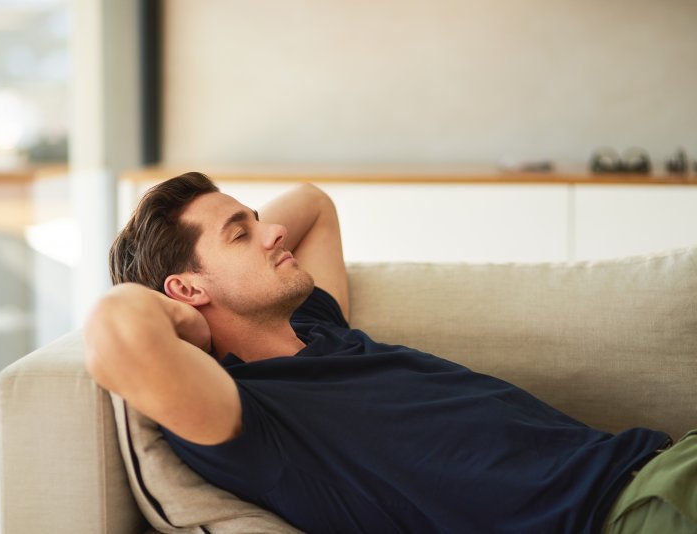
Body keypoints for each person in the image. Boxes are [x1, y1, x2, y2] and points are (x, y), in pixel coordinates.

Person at [84, 172, 696, 534]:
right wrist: (184, 322)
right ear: (187, 290)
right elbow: (116, 330)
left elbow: (314, 202)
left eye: (255, 218)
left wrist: (235, 235)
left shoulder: (316, 325)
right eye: (241, 233)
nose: (272, 231)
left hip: (662, 465)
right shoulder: (250, 417)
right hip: (626, 514)